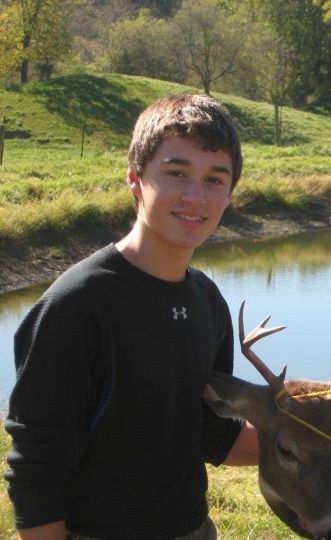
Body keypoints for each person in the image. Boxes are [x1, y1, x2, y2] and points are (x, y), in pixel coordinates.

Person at [4, 94, 259, 539]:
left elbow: (209, 433)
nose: (196, 196)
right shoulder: (78, 303)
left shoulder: (206, 300)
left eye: (215, 179)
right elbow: (36, 469)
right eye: (176, 173)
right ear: (135, 180)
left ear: (230, 193)